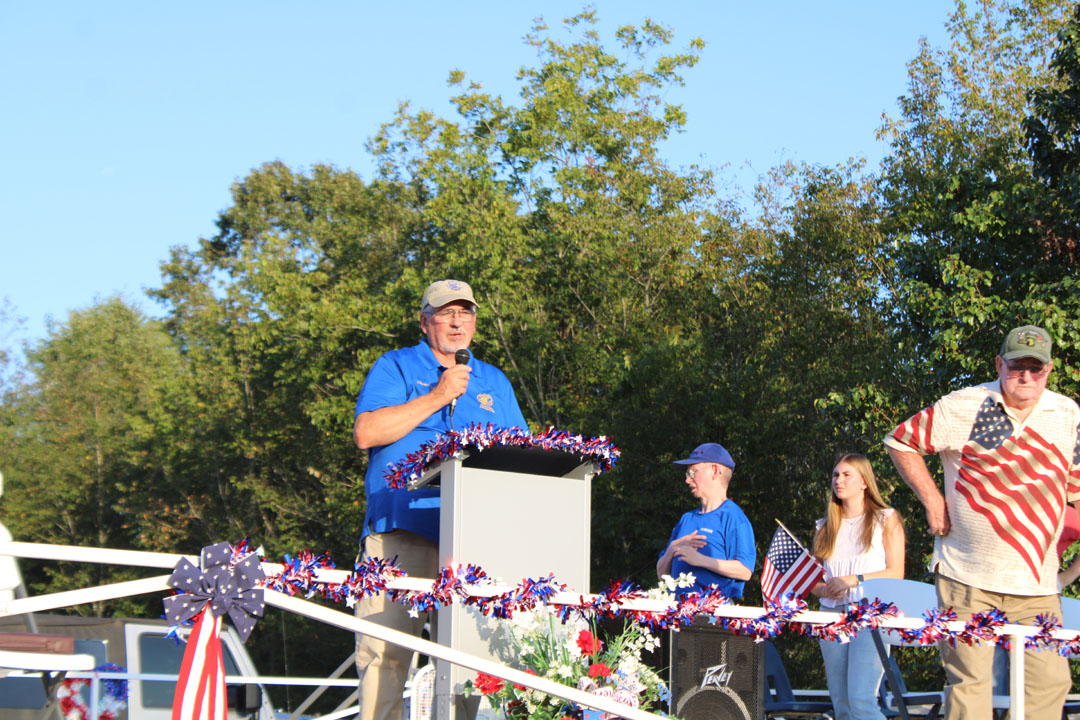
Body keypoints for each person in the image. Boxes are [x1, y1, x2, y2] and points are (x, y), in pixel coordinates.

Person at [352, 279, 528, 720]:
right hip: (401, 535)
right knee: (385, 655)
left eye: (465, 312)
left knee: (471, 664)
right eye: (446, 312)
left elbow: (522, 455)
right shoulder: (395, 366)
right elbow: (367, 433)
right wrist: (438, 395)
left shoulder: (495, 380)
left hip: (473, 542)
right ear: (424, 321)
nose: (456, 322)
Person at [884, 324, 1080, 720]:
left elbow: (1074, 484)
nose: (1026, 376)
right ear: (999, 364)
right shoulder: (964, 404)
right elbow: (900, 440)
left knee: (1050, 681)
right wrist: (932, 500)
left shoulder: (1067, 413)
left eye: (1036, 368)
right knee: (971, 684)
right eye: (1017, 366)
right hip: (967, 576)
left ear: (1049, 370)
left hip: (1038, 584)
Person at [810, 454, 905, 720]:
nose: (838, 481)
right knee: (841, 703)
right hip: (831, 615)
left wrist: (853, 579)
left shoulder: (886, 519)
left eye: (846, 475)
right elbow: (813, 581)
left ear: (864, 482)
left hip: (870, 613)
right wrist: (825, 589)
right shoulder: (825, 527)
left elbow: (896, 573)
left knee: (861, 700)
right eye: (835, 475)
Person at [656, 443, 756, 599]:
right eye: (687, 474)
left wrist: (700, 560)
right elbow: (661, 575)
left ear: (715, 471)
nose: (687, 480)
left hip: (713, 612)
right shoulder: (686, 519)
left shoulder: (733, 517)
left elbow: (745, 570)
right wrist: (672, 550)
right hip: (676, 611)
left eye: (692, 472)